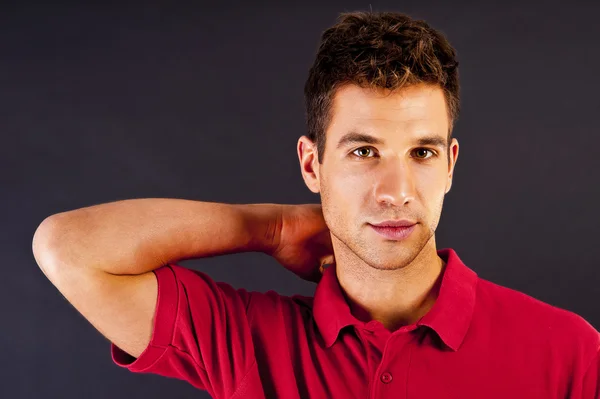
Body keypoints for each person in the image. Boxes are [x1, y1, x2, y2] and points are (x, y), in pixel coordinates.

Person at [32, 11, 598, 399]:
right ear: (312, 165)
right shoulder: (249, 344)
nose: (395, 189)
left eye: (421, 151)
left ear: (450, 164)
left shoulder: (569, 352)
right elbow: (67, 248)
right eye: (363, 151)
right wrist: (273, 227)